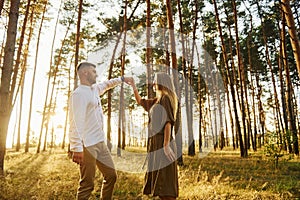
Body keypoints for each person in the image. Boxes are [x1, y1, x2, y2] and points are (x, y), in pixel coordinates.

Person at [69, 61, 133, 200]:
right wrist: (76, 148)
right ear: (85, 73)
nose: (96, 74)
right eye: (93, 71)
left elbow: (107, 84)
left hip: (100, 142)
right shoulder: (79, 94)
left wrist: (122, 79)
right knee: (87, 184)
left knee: (111, 176)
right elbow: (75, 122)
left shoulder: (94, 89)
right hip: (87, 146)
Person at [129, 72, 179, 200]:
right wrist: (133, 85)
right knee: (160, 185)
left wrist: (166, 145)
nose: (153, 83)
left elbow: (168, 122)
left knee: (166, 185)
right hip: (155, 144)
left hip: (162, 142)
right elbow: (140, 101)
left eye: (155, 80)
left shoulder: (166, 98)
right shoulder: (157, 100)